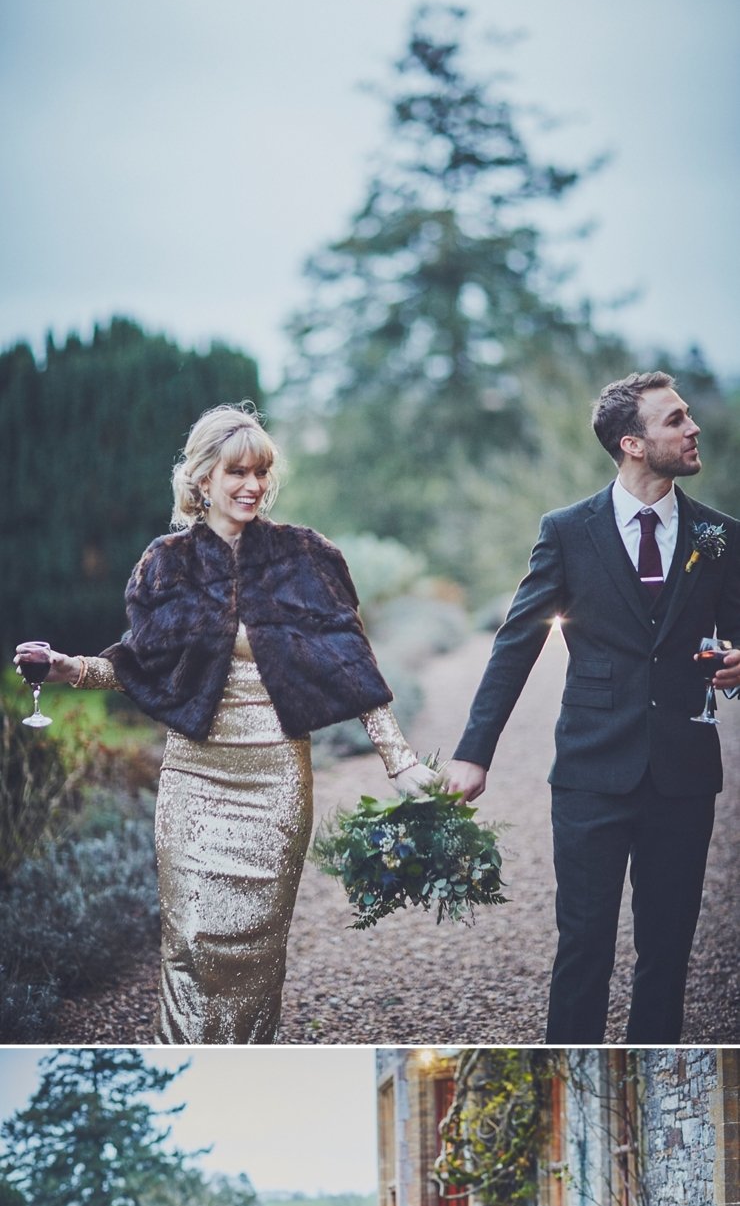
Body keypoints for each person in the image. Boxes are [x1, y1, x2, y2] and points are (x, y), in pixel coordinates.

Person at [16, 400, 428, 1045]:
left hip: (276, 784)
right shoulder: (167, 563)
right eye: (237, 472)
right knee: (189, 942)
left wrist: (399, 760)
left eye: (261, 472)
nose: (252, 486)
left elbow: (355, 668)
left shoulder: (303, 557)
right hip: (195, 777)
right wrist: (70, 669)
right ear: (202, 479)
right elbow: (141, 664)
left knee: (257, 956)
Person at [447, 370, 740, 1044]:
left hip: (685, 777)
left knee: (667, 957)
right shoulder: (567, 532)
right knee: (583, 950)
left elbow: (735, 635)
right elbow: (516, 643)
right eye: (675, 420)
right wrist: (473, 753)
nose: (694, 428)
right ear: (633, 444)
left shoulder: (721, 537)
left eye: (689, 416)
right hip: (588, 775)